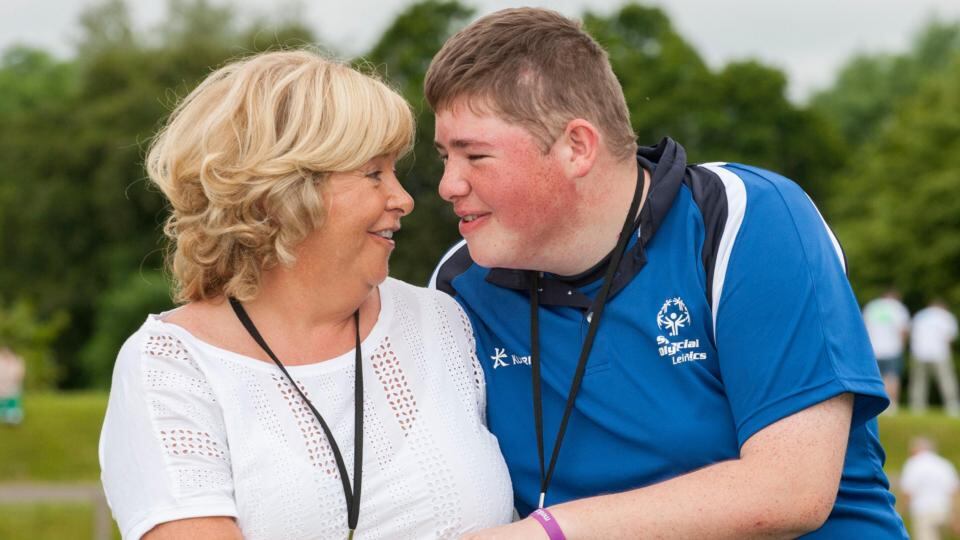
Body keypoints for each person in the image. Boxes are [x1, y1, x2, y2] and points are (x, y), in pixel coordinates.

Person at [427, 8, 906, 538]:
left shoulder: (745, 217)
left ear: (576, 147)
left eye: (474, 155)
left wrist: (547, 532)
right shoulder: (458, 284)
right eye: (445, 156)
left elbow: (791, 491)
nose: (448, 185)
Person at [98, 50, 513, 540]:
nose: (404, 199)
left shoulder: (444, 320)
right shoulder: (170, 366)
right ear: (282, 191)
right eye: (373, 173)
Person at [900, 437, 959, 540]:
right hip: (944, 510)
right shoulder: (945, 464)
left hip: (923, 511)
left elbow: (907, 492)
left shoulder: (913, 463)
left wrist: (900, 512)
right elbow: (954, 491)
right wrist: (955, 514)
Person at [863, 289, 912, 413]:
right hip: (892, 348)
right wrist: (903, 346)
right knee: (892, 376)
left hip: (872, 348)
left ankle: (874, 404)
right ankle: (892, 404)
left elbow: (863, 326)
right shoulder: (898, 307)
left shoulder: (872, 306)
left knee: (874, 377)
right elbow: (903, 330)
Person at [909, 299, 960, 416]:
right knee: (946, 379)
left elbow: (912, 333)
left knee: (919, 380)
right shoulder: (946, 316)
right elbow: (950, 337)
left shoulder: (920, 315)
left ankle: (917, 406)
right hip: (940, 353)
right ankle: (952, 404)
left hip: (919, 352)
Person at [0, 346, 25, 425]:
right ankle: (4, 417)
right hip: (2, 385)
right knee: (3, 402)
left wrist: (14, 380)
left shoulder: (17, 360)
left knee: (12, 402)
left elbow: (20, 373)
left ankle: (13, 419)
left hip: (12, 385)